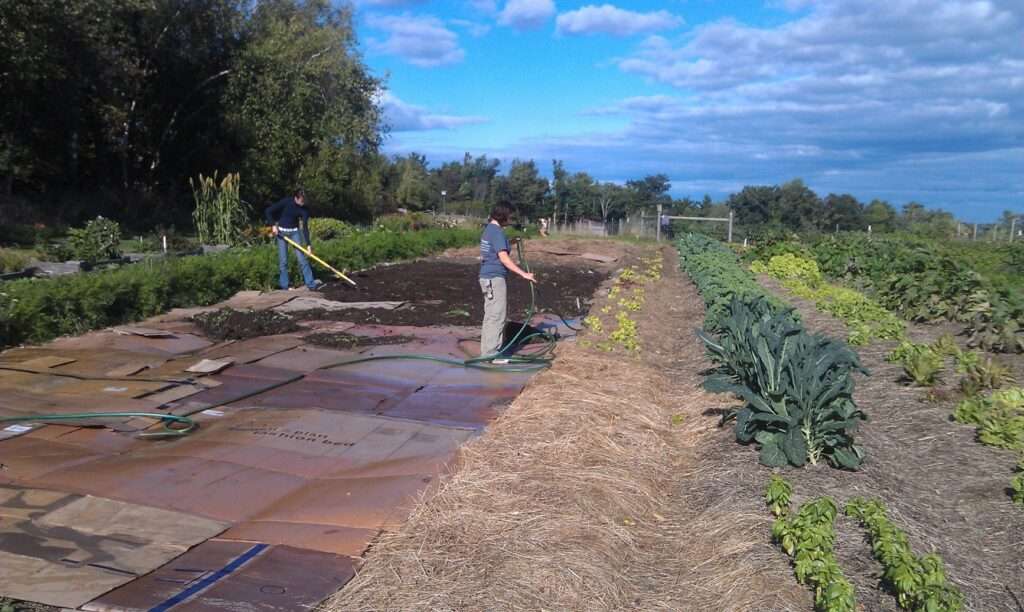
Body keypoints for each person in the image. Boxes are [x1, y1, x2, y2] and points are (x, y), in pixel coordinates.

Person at [479, 204, 536, 358]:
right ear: (503, 216)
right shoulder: (497, 233)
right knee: (497, 316)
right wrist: (523, 274)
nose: (511, 220)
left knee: (491, 315)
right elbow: (504, 258)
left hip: (487, 277)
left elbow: (495, 248)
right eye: (510, 216)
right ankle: (490, 355)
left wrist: (510, 241)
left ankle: (487, 352)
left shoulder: (490, 230)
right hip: (494, 278)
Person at [265, 188, 322, 291]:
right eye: (301, 200)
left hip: (295, 233)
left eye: (304, 200)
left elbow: (304, 227)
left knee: (302, 259)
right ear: (295, 198)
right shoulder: (286, 202)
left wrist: (308, 245)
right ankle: (285, 286)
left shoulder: (304, 209)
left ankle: (311, 284)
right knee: (283, 261)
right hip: (281, 233)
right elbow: (268, 211)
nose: (303, 203)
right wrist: (273, 225)